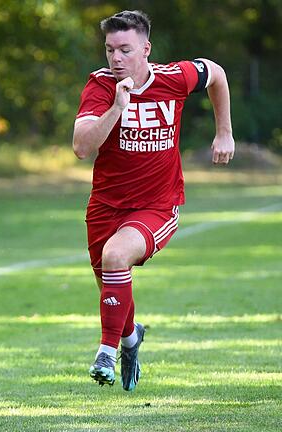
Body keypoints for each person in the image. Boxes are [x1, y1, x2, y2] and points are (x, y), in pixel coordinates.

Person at [72, 10, 234, 391]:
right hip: (105, 206)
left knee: (115, 258)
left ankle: (105, 355)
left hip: (157, 205)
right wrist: (117, 106)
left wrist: (224, 131)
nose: (115, 58)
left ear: (146, 49)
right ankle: (130, 339)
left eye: (125, 50)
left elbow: (217, 73)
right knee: (112, 289)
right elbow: (81, 147)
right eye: (110, 49)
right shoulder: (99, 86)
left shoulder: (174, 78)